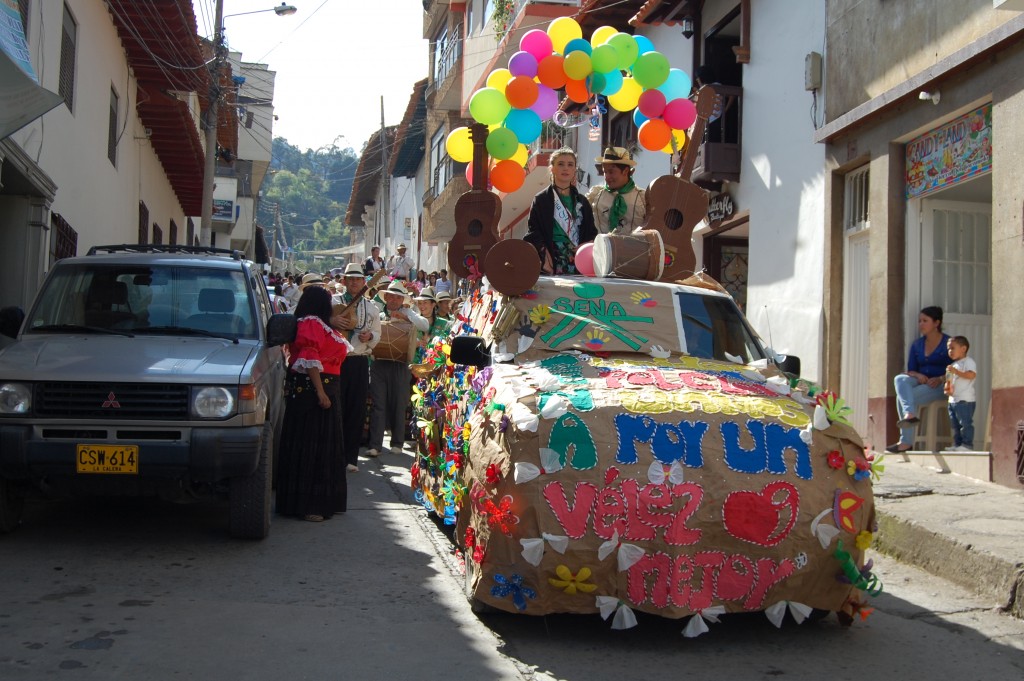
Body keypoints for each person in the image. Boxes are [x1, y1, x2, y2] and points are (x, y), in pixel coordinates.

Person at [275, 285, 352, 522]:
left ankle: (320, 501)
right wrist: (320, 392)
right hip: (313, 392)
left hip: (327, 388)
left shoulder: (321, 324)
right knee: (311, 445)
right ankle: (309, 504)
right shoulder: (310, 323)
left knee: (322, 445)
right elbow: (309, 360)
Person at [367, 280, 429, 457]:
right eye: (391, 296)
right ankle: (375, 445)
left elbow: (424, 325)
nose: (393, 299)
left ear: (403, 299)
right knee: (378, 404)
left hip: (401, 364)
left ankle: (397, 443)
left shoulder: (409, 312)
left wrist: (406, 317)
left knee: (399, 404)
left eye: (397, 297)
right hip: (379, 362)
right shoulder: (378, 313)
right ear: (385, 297)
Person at [331, 263, 381, 473]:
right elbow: (322, 324)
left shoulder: (371, 307)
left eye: (357, 279)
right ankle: (332, 455)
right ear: (344, 281)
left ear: (363, 282)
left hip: (359, 360)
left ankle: (351, 457)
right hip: (337, 361)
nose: (354, 282)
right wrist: (332, 320)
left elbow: (377, 333)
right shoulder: (333, 302)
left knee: (356, 409)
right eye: (350, 279)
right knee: (335, 408)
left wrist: (370, 337)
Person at [887, 306, 951, 453]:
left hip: (940, 386)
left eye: (925, 321)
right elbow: (911, 370)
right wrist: (917, 375)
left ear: (936, 323)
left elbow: (956, 368)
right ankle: (910, 414)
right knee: (900, 379)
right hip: (922, 381)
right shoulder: (917, 345)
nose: (921, 324)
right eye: (919, 321)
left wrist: (941, 378)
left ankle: (906, 442)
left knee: (901, 399)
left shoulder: (947, 343)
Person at [524, 147, 597, 275]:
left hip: (578, 257)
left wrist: (585, 246)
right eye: (560, 164)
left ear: (575, 169)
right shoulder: (541, 199)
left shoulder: (582, 202)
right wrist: (543, 253)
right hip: (551, 257)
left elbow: (591, 232)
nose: (566, 168)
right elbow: (533, 230)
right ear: (552, 168)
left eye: (570, 165)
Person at [587, 147, 647, 234]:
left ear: (625, 171)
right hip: (602, 247)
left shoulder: (642, 198)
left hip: (633, 247)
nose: (606, 177)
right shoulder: (595, 195)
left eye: (611, 172)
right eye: (605, 172)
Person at [943, 335, 978, 452]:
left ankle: (967, 445)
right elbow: (951, 380)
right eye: (948, 348)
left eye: (952, 348)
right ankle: (958, 445)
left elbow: (971, 375)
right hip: (953, 400)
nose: (950, 351)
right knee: (955, 424)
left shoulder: (968, 362)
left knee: (965, 423)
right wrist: (947, 387)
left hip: (965, 400)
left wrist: (956, 372)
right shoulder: (952, 365)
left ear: (963, 349)